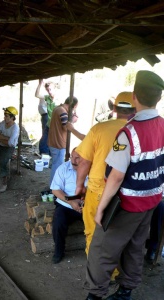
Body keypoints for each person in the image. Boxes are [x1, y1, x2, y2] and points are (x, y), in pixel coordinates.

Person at [84, 70, 164, 300]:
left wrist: (101, 209)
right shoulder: (163, 125)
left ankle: (95, 295)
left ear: (135, 97)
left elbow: (116, 177)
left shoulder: (128, 133)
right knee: (136, 245)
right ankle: (126, 291)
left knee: (101, 249)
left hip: (127, 204)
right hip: (151, 200)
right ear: (158, 99)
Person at [75, 92, 136, 257]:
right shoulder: (137, 131)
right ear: (135, 109)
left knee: (93, 234)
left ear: (115, 108)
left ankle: (95, 275)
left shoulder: (99, 129)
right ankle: (114, 273)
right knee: (118, 237)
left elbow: (84, 161)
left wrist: (79, 186)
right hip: (126, 194)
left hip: (98, 191)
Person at [50, 148, 86, 264]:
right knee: (58, 221)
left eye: (77, 158)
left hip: (88, 204)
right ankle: (59, 251)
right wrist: (71, 202)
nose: (73, 161)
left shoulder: (93, 169)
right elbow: (55, 190)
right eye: (72, 157)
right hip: (67, 204)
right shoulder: (63, 168)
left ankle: (95, 254)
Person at [47, 96, 78, 185]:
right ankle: (54, 187)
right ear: (74, 106)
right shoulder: (62, 111)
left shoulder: (58, 108)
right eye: (75, 107)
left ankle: (54, 186)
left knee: (55, 164)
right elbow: (66, 128)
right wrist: (73, 120)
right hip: (58, 143)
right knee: (58, 167)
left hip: (54, 142)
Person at [35, 79, 56, 155]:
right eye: (47, 90)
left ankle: (49, 156)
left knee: (53, 142)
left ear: (54, 88)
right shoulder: (47, 97)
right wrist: (40, 84)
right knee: (44, 141)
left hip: (55, 125)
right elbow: (37, 95)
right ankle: (44, 157)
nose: (49, 91)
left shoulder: (58, 99)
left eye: (50, 89)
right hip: (49, 123)